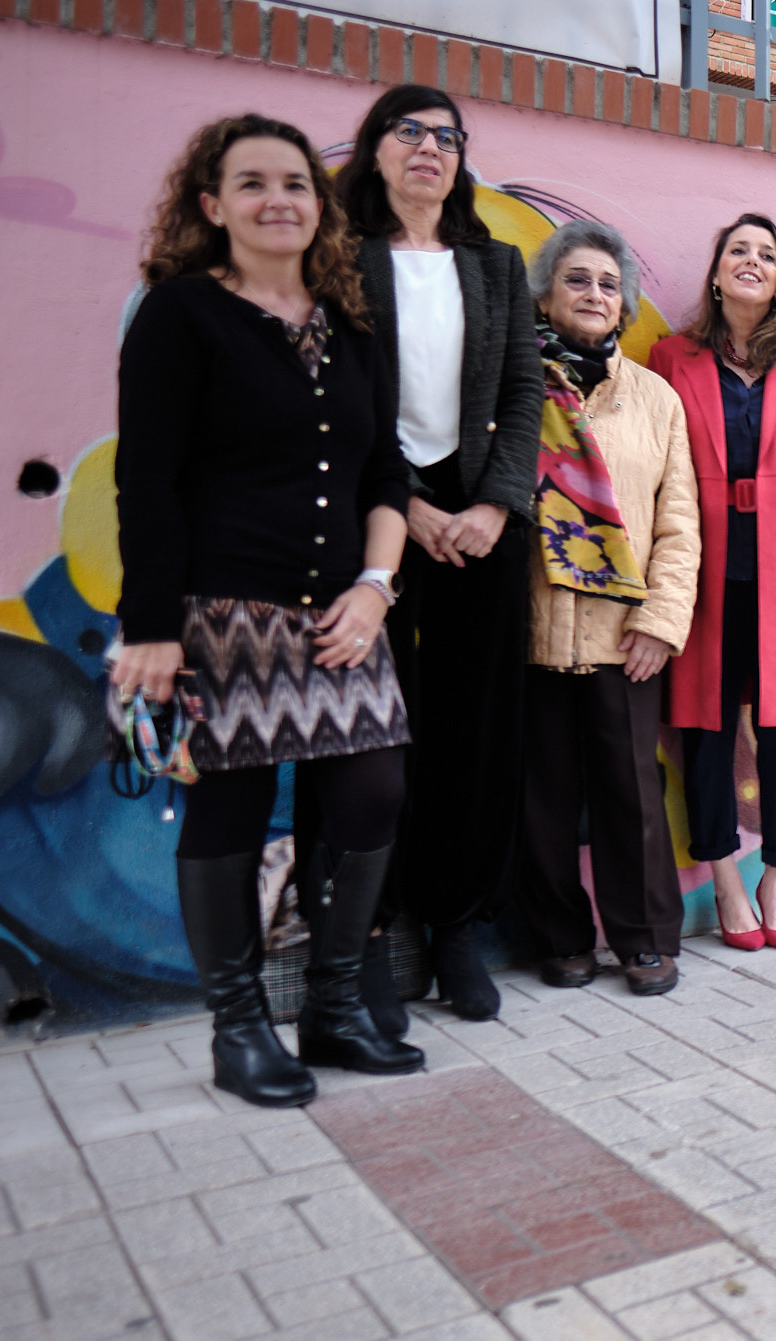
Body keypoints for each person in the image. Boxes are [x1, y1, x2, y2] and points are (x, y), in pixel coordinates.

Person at [113, 114, 422, 1107]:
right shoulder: (179, 315)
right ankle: (239, 1032)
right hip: (222, 611)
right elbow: (146, 481)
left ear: (318, 204)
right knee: (231, 807)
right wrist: (151, 626)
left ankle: (331, 1010)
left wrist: (375, 588)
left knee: (373, 793)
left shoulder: (352, 320)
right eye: (251, 184)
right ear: (212, 206)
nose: (277, 199)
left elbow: (387, 470)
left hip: (344, 612)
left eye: (294, 182)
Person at [336, 85, 542, 1027]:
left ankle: (454, 926)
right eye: (409, 132)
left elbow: (522, 390)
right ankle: (370, 935)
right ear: (374, 151)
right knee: (367, 734)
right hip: (374, 520)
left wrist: (496, 505)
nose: (430, 148)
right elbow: (332, 403)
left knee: (474, 726)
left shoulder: (495, 265)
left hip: (479, 526)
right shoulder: (338, 261)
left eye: (447, 137)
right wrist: (405, 507)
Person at [648, 214, 776, 948]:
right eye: (738, 249)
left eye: (766, 254)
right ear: (715, 273)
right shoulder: (671, 357)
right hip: (704, 568)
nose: (751, 260)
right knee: (704, 728)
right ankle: (726, 878)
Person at [517, 221, 700, 994]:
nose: (594, 294)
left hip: (625, 635)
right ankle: (560, 937)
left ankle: (646, 938)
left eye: (607, 284)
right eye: (577, 279)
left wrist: (661, 622)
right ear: (547, 293)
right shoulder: (513, 380)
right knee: (542, 798)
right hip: (528, 631)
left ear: (624, 305)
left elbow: (679, 524)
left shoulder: (655, 400)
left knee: (632, 793)